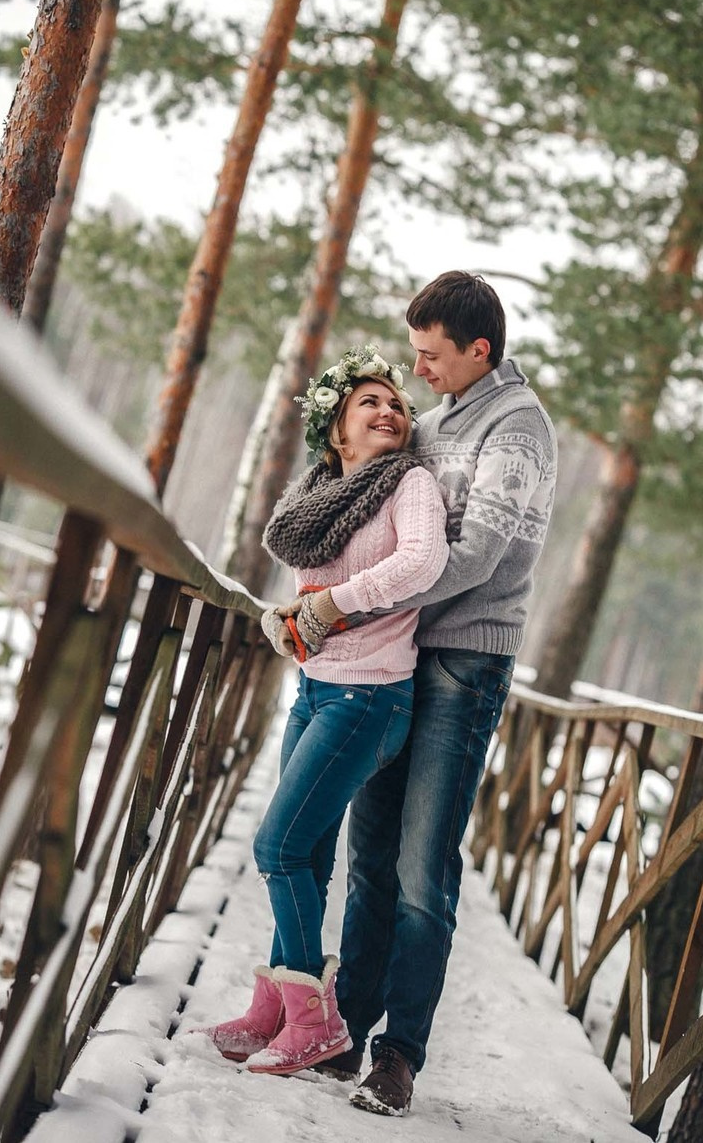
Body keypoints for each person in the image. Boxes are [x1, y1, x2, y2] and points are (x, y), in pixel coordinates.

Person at [302, 271, 555, 1116]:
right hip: (399, 656)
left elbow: (479, 555)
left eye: (429, 355)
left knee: (421, 868)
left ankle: (398, 1054)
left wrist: (362, 605)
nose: (416, 373)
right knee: (369, 855)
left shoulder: (518, 427)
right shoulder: (438, 422)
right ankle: (346, 1026)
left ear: (479, 350)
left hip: (463, 663)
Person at [208, 351, 444, 1077]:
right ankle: (277, 1007)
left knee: (277, 846)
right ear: (337, 428)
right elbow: (316, 587)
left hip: (369, 696)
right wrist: (292, 615)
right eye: (369, 402)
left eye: (396, 405)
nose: (389, 412)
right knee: (306, 854)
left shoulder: (410, 483)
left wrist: (329, 606)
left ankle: (316, 1019)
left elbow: (423, 563)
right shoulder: (322, 494)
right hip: (315, 688)